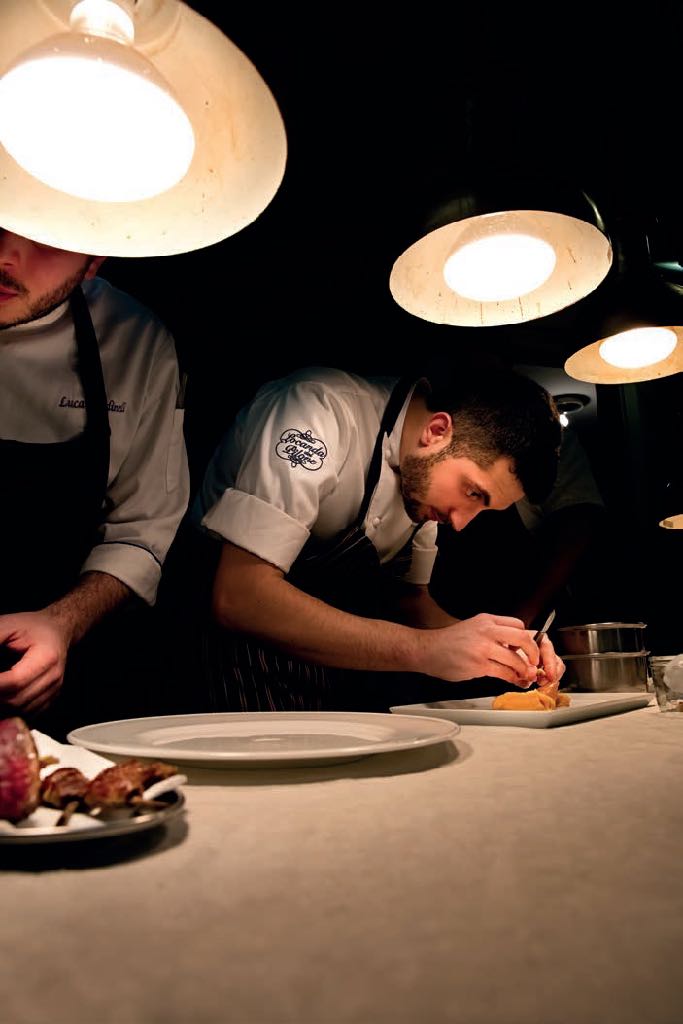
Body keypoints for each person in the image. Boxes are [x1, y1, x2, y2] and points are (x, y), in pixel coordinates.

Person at [188, 362, 565, 712]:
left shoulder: (425, 484)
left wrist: (501, 649)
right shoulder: (318, 409)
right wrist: (424, 650)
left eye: (483, 509)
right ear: (436, 431)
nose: (461, 522)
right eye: (472, 493)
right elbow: (240, 596)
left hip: (326, 664)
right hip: (227, 652)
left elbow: (411, 602)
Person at [0, 228, 189, 733]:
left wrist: (62, 623)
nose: (4, 255)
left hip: (45, 689)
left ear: (92, 261)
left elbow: (141, 532)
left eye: (44, 236)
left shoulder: (136, 343)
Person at [430, 424, 607, 630]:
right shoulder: (427, 490)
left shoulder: (547, 441)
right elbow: (413, 597)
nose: (459, 523)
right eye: (472, 493)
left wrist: (522, 619)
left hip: (529, 610)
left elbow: (578, 527)